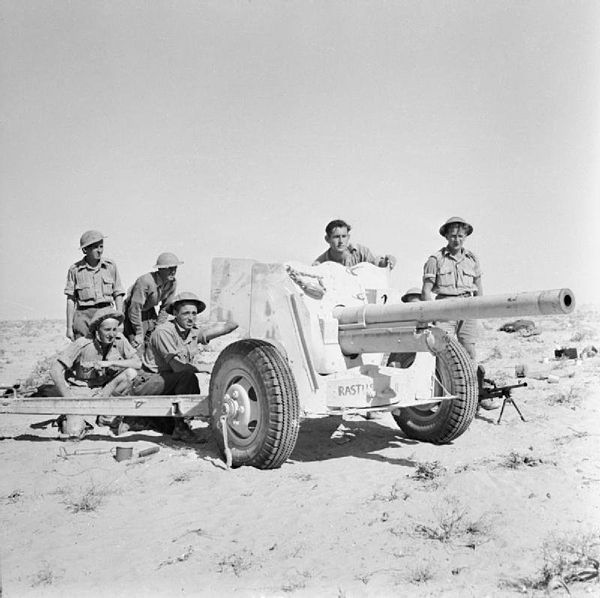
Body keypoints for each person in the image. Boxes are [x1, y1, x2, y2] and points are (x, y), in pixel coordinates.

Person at [126, 292, 238, 442]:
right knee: (188, 377)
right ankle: (182, 429)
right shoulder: (164, 332)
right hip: (148, 383)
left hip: (167, 383)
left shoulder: (191, 332)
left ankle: (146, 420)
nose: (191, 317)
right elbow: (178, 368)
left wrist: (231, 323)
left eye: (194, 313)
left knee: (167, 427)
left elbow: (225, 328)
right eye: (185, 313)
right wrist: (204, 367)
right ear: (175, 314)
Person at [421, 217, 498, 410]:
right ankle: (438, 397)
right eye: (453, 236)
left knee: (469, 352)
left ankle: (475, 397)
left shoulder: (472, 259)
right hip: (445, 306)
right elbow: (426, 291)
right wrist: (430, 315)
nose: (457, 240)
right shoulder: (435, 260)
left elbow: (478, 286)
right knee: (442, 353)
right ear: (446, 236)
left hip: (468, 305)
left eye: (461, 236)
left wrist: (480, 308)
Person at [49, 309, 141, 438]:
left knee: (130, 373)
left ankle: (104, 417)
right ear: (97, 330)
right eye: (107, 330)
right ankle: (70, 417)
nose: (112, 334)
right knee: (74, 432)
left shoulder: (120, 340)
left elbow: (137, 363)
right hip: (81, 393)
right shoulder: (82, 344)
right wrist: (68, 399)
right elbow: (55, 370)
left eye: (115, 329)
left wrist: (111, 363)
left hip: (104, 391)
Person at [64, 230, 125, 340]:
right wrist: (69, 327)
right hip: (83, 316)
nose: (99, 250)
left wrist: (119, 320)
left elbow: (118, 293)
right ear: (85, 250)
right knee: (85, 350)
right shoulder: (75, 270)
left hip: (106, 314)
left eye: (101, 246)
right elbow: (70, 300)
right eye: (95, 247)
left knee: (109, 351)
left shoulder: (110, 266)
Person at [123, 252, 182, 355]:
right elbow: (134, 309)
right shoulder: (145, 281)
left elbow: (165, 308)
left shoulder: (172, 283)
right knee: (136, 347)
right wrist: (138, 333)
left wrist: (158, 328)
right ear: (160, 269)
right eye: (169, 268)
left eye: (175, 268)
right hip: (132, 313)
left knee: (153, 344)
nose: (173, 272)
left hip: (149, 311)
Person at [313, 219, 396, 269]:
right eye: (336, 237)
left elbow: (376, 265)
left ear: (348, 237)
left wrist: (387, 261)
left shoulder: (361, 252)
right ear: (327, 239)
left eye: (344, 236)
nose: (341, 241)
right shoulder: (320, 263)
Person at [386, 287, 421, 369]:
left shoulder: (429, 317)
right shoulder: (403, 319)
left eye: (416, 302)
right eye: (410, 302)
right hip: (402, 351)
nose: (413, 305)